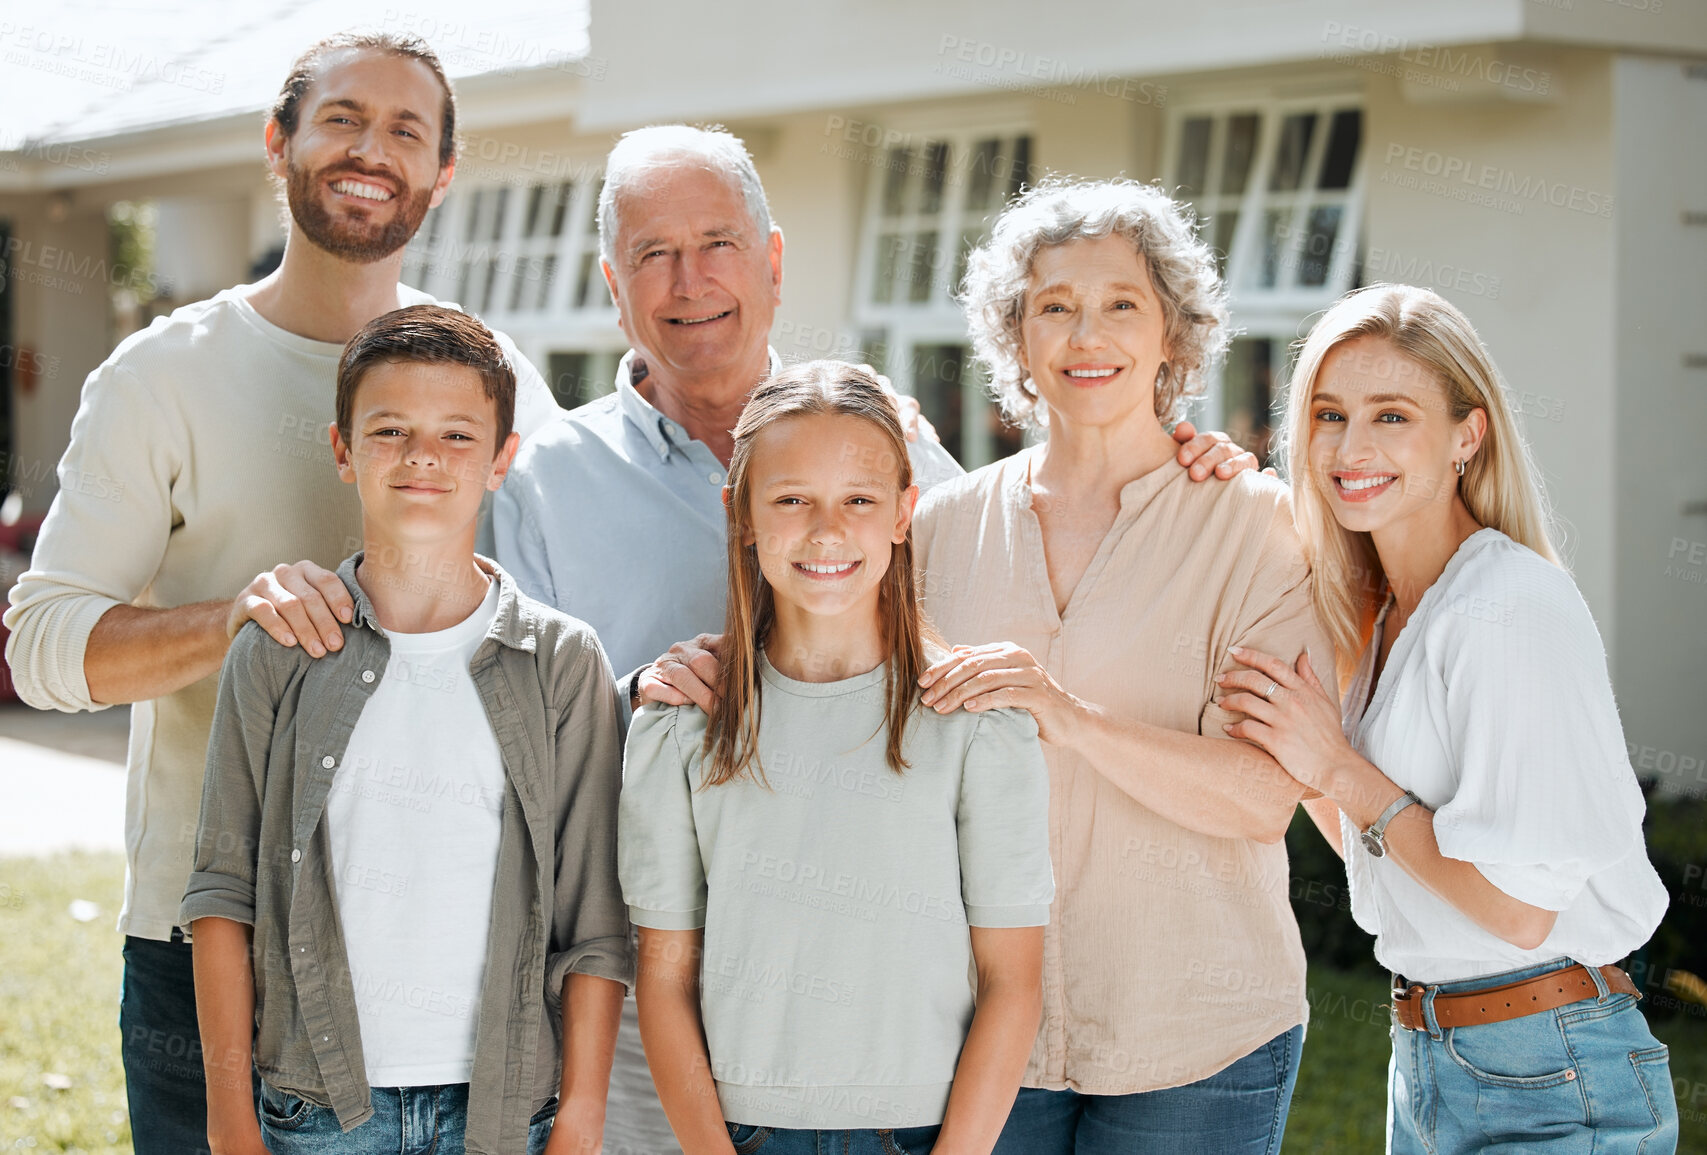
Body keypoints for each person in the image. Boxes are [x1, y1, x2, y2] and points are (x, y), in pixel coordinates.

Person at [488, 126, 1258, 1152]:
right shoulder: (540, 481)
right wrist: (638, 701)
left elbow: (1020, 528)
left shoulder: (885, 435)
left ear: (771, 259)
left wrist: (1170, 454)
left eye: (717, 241)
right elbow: (508, 738)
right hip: (655, 999)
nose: (689, 279)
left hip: (906, 1056)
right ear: (612, 283)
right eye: (652, 253)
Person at [642, 177, 1327, 1154]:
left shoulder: (1253, 523)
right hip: (981, 1037)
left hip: (1196, 1033)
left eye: (1121, 305)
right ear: (1016, 336)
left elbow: (1266, 798)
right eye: (1055, 307)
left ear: (1173, 333)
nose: (1088, 336)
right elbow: (825, 650)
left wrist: (1070, 715)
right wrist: (709, 668)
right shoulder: (948, 522)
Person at [2, 33, 560, 1154]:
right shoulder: (162, 376)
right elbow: (43, 651)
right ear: (280, 144)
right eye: (343, 119)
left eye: (408, 131)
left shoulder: (493, 375)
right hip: (210, 941)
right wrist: (238, 620)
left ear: (443, 175)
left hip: (439, 940)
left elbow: (554, 617)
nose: (373, 151)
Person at [1216, 284, 1676, 1154]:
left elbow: (1516, 912)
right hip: (1430, 1055)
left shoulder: (1503, 605)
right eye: (1327, 414)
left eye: (1391, 416)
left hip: (1550, 1066)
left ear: (1468, 435)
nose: (1350, 447)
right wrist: (1217, 490)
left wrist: (1340, 768)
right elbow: (1377, 853)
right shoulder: (1385, 616)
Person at [179, 306, 629, 1155]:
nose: (423, 455)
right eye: (390, 429)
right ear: (343, 450)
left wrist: (580, 1119)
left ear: (502, 458)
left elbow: (593, 920)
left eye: (458, 435)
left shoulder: (564, 663)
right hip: (316, 1108)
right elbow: (221, 895)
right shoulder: (278, 651)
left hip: (505, 1110)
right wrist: (230, 1118)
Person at [620, 361, 1052, 1155]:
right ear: (741, 513)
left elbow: (1012, 982)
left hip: (923, 1133)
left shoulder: (979, 724)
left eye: (858, 499)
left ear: (902, 512)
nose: (826, 531)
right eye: (791, 499)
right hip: (743, 1132)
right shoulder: (679, 728)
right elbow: (665, 977)